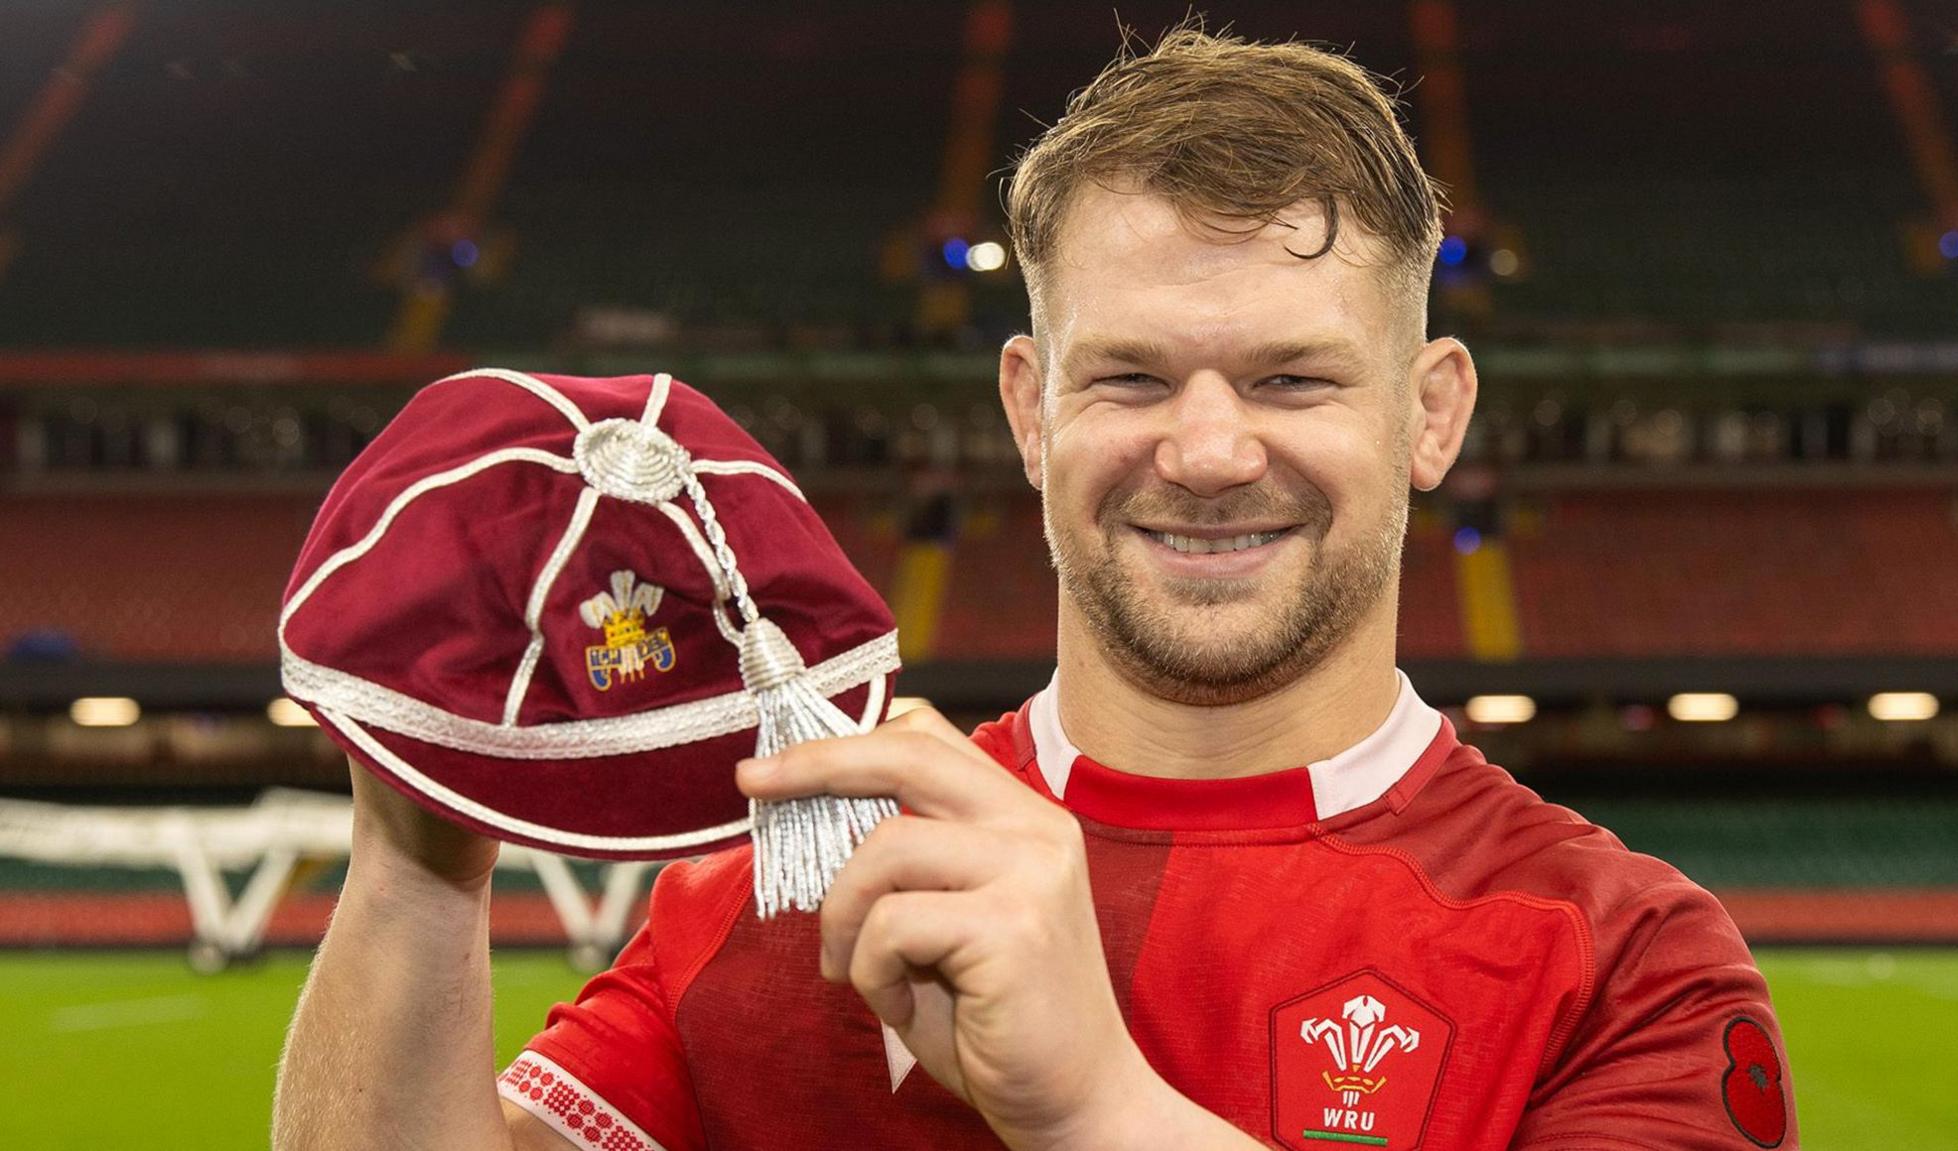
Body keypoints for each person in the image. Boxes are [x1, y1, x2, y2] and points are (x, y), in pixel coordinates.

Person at [274, 27, 1796, 1151]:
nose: (1207, 450)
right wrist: (420, 855)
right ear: (1028, 408)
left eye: (1293, 377)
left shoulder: (1627, 961)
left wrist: (1093, 1106)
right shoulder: (789, 888)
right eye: (1130, 375)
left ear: (1431, 414)